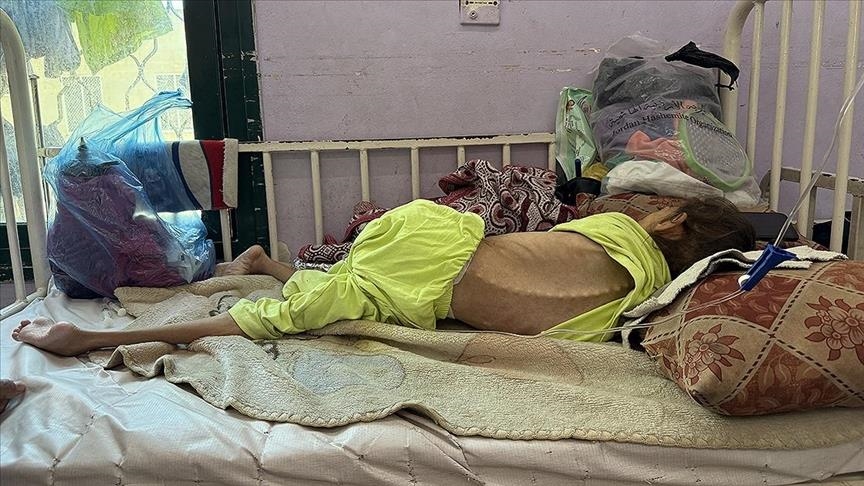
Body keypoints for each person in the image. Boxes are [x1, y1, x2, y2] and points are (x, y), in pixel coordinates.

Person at [12, 197, 755, 356]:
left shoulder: (627, 240)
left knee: (342, 294)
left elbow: (553, 243)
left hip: (433, 249)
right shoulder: (645, 298)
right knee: (300, 313)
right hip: (435, 264)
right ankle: (90, 339)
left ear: (669, 223)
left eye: (655, 204)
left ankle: (265, 264)